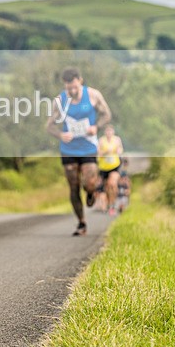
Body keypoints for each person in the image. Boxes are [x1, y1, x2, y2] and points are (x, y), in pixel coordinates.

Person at [47, 67, 113, 236]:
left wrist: (95, 127)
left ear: (80, 81)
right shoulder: (60, 101)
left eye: (75, 87)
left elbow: (107, 115)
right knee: (73, 186)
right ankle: (81, 222)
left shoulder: (93, 95)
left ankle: (91, 192)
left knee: (89, 182)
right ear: (65, 86)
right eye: (69, 88)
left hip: (89, 146)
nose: (73, 91)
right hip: (68, 149)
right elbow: (49, 125)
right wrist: (61, 134)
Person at [98, 124, 124, 215]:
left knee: (112, 184)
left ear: (113, 132)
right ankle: (108, 203)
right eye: (107, 131)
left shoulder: (117, 140)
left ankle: (112, 205)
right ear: (105, 132)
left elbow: (120, 150)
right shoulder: (101, 140)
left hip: (115, 165)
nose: (109, 133)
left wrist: (118, 151)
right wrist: (106, 152)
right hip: (104, 167)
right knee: (106, 188)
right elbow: (98, 153)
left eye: (110, 131)